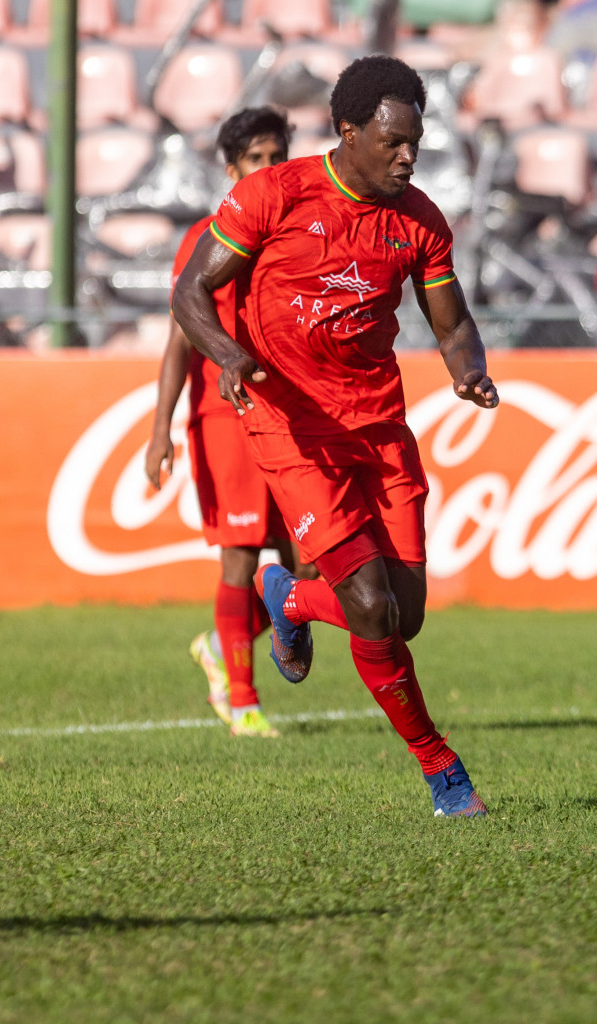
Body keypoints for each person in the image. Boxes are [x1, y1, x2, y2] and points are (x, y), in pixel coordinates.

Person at [171, 56, 499, 818]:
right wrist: (229, 355)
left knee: (404, 614)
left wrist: (469, 371)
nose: (408, 156)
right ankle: (441, 768)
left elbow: (453, 325)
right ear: (347, 133)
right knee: (373, 603)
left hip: (379, 427)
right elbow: (190, 292)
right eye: (393, 142)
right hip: (291, 427)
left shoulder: (419, 220)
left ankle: (287, 600)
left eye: (415, 142)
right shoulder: (273, 196)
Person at [145, 107, 306, 739]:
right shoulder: (207, 236)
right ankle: (243, 701)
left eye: (277, 157)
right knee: (240, 560)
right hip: (226, 414)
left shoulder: (300, 233)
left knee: (312, 568)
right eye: (256, 158)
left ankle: (219, 640)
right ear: (232, 167)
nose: (268, 169)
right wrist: (160, 430)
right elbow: (180, 342)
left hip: (291, 415)